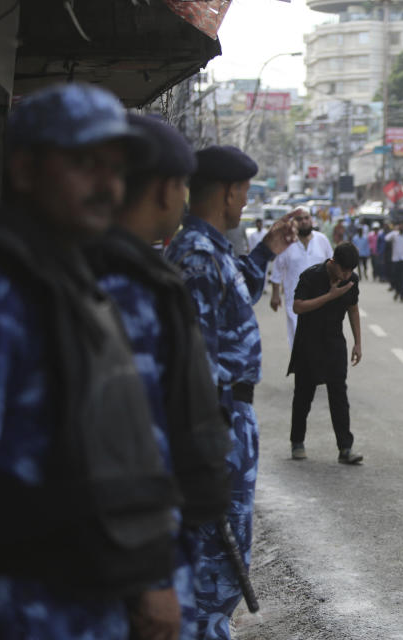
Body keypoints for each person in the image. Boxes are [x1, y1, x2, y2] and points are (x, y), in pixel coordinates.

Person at [0, 82, 181, 640]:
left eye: (115, 167)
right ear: (25, 170)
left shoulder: (69, 277)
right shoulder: (6, 290)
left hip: (87, 595)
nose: (108, 185)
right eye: (83, 163)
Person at [86, 114, 234, 640]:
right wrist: (153, 572)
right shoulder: (123, 283)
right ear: (169, 189)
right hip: (136, 547)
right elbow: (132, 439)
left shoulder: (137, 272)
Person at [165, 145, 297, 639]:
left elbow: (238, 283)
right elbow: (195, 364)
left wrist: (266, 250)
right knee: (213, 563)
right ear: (227, 191)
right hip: (216, 421)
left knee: (225, 556)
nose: (245, 199)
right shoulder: (196, 255)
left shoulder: (213, 250)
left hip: (229, 419)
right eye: (243, 190)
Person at [288, 243, 364, 464]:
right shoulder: (311, 276)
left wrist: (358, 343)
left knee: (339, 395)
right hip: (308, 344)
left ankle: (345, 448)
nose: (347, 275)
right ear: (333, 263)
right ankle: (297, 442)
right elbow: (298, 307)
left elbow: (353, 308)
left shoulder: (351, 280)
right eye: (344, 270)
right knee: (303, 395)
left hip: (334, 343)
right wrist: (330, 296)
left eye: (351, 271)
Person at [269, 208, 333, 347]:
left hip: (321, 298)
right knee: (298, 339)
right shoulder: (287, 243)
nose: (303, 221)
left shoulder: (322, 240)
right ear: (293, 223)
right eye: (299, 219)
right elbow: (277, 269)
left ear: (311, 220)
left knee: (320, 340)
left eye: (306, 218)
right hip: (295, 300)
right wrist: (275, 295)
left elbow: (332, 266)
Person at [386, 221, 403, 301]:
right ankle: (397, 291)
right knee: (396, 277)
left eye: (402, 226)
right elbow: (386, 238)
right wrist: (394, 231)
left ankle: (402, 295)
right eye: (400, 226)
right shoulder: (394, 235)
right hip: (396, 259)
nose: (401, 228)